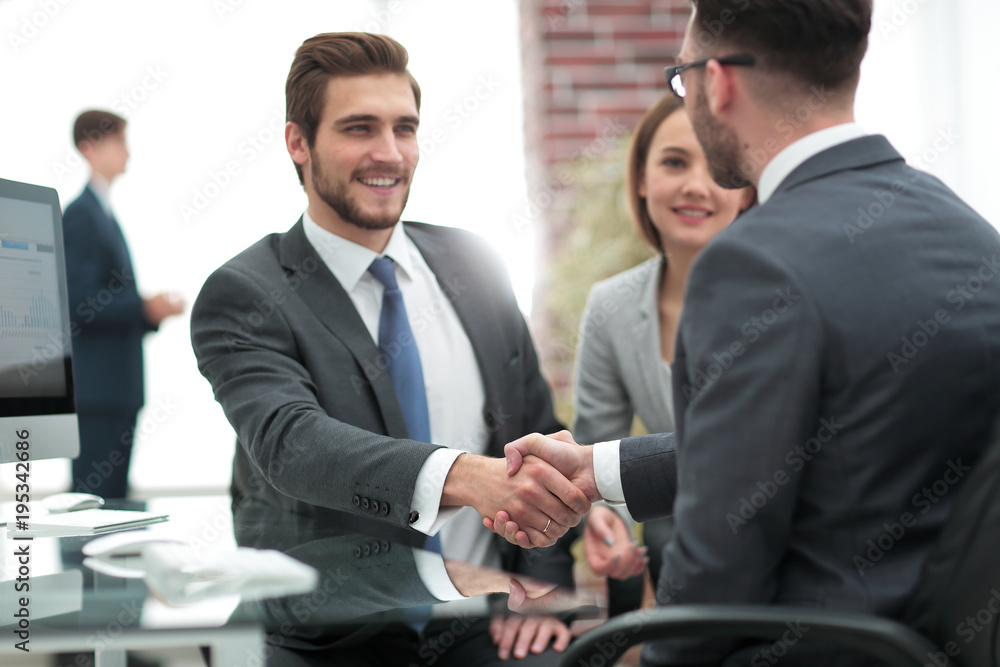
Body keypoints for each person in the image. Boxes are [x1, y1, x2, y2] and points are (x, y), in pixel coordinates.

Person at [489, 1, 1000, 664]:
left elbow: (712, 581)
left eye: (682, 79)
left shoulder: (752, 262)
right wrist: (599, 469)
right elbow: (837, 441)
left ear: (718, 81)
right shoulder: (969, 232)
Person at [190, 32, 589, 665]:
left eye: (405, 128)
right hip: (334, 636)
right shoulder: (245, 292)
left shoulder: (474, 263)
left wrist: (545, 585)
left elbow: (539, 434)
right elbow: (294, 445)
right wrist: (467, 478)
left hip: (490, 623)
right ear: (298, 142)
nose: (389, 153)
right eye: (359, 128)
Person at [572, 94, 754, 602]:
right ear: (642, 180)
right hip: (675, 544)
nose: (696, 185)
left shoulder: (788, 296)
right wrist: (606, 525)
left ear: (746, 192)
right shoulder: (611, 307)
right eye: (675, 162)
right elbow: (596, 455)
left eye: (719, 167)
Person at [63, 109, 184, 499]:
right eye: (119, 143)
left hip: (113, 389)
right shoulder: (83, 215)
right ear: (89, 147)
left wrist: (147, 314)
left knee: (110, 501)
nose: (127, 153)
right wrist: (143, 308)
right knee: (94, 503)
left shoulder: (102, 213)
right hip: (99, 392)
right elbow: (79, 301)